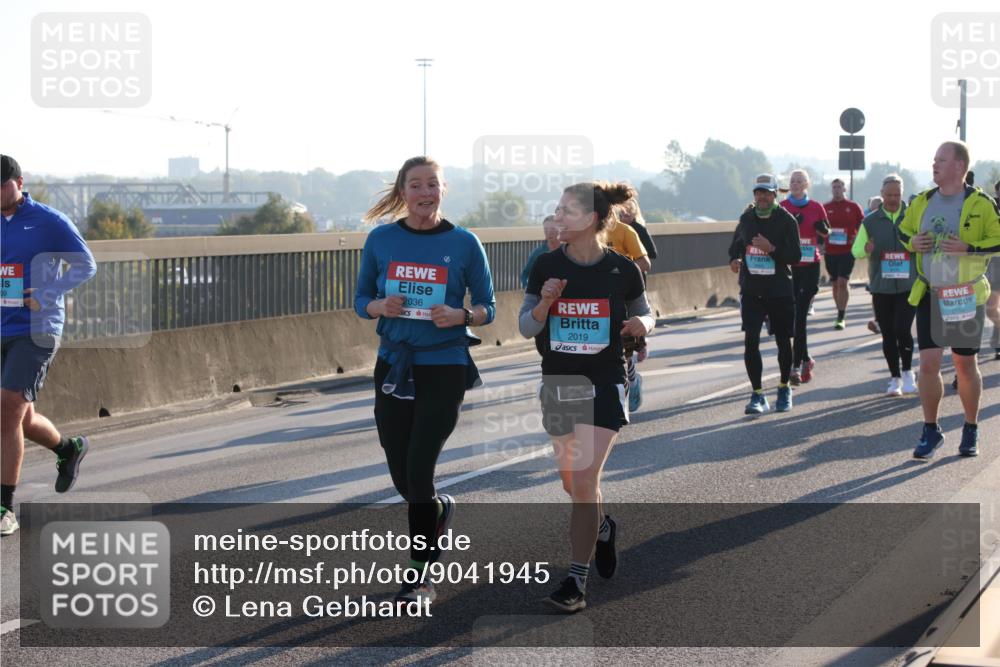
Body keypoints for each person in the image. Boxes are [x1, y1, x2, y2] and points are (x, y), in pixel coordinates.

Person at [354, 156, 496, 603]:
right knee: (402, 473)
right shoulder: (381, 240)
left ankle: (420, 575)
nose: (424, 193)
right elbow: (360, 299)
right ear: (403, 192)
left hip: (444, 364)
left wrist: (461, 315)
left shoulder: (465, 241)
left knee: (419, 469)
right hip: (394, 363)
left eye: (432, 184)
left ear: (443, 190)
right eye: (415, 185)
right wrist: (379, 307)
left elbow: (488, 307)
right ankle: (436, 510)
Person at [520, 181, 654, 612]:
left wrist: (643, 327)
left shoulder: (622, 269)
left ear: (591, 219)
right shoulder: (544, 265)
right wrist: (544, 304)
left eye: (566, 211)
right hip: (559, 380)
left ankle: (575, 583)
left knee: (583, 479)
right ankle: (602, 527)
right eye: (557, 211)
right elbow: (526, 327)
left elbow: (645, 311)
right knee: (572, 484)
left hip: (605, 380)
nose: (558, 218)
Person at [1, 155, 97, 537]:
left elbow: (85, 264)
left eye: (1, 185)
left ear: (19, 182)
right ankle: (68, 449)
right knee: (20, 419)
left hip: (37, 328)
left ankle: (4, 507)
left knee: (6, 409)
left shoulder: (49, 220)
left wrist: (46, 290)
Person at [899, 141, 1000, 459]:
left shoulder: (981, 203)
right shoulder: (921, 201)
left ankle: (970, 428)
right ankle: (931, 430)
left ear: (959, 166)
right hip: (931, 292)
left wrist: (969, 248)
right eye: (933, 160)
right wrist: (913, 241)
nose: (934, 164)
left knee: (964, 365)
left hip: (964, 295)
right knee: (928, 364)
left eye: (941, 160)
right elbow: (903, 232)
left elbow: (998, 240)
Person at [729, 174, 802, 414]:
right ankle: (757, 394)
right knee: (751, 340)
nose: (762, 197)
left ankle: (783, 387)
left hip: (779, 290)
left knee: (783, 341)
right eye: (758, 193)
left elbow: (796, 256)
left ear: (775, 195)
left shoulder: (786, 221)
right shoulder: (747, 218)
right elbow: (736, 244)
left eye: (766, 193)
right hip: (752, 290)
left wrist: (771, 249)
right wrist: (734, 258)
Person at [852, 174, 918, 395]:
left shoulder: (913, 216)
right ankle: (895, 378)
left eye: (897, 195)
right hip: (881, 286)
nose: (893, 199)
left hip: (908, 285)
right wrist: (866, 250)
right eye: (889, 195)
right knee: (888, 333)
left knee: (902, 328)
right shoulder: (870, 221)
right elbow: (856, 249)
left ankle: (908, 371)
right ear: (882, 195)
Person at [781, 169, 829, 384]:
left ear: (807, 184)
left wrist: (822, 229)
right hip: (790, 266)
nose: (796, 184)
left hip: (811, 265)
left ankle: (796, 365)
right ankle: (806, 357)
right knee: (794, 316)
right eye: (793, 181)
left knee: (800, 314)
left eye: (800, 181)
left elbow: (826, 233)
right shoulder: (783, 207)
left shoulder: (816, 207)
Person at [602, 210, 650, 412]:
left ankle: (631, 380)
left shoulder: (625, 231)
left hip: (622, 298)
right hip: (595, 299)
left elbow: (645, 262)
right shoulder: (581, 237)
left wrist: (620, 272)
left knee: (623, 347)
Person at [824, 178, 866, 330]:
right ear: (831, 189)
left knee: (843, 282)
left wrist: (858, 237)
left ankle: (841, 315)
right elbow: (819, 227)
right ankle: (839, 310)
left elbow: (864, 224)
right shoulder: (826, 207)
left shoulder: (853, 207)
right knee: (835, 284)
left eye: (839, 187)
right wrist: (822, 239)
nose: (836, 189)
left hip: (847, 251)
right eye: (834, 187)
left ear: (844, 189)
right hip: (830, 251)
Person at [520, 216, 560, 289]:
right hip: (543, 295)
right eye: (545, 229)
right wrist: (527, 286)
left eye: (552, 229)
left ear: (560, 229)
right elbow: (525, 273)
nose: (549, 232)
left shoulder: (569, 250)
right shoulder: (538, 252)